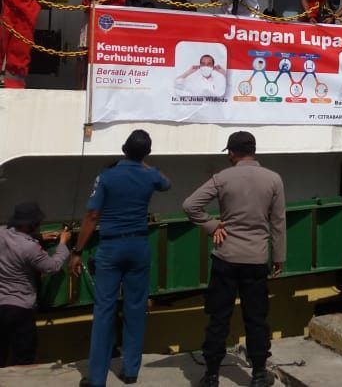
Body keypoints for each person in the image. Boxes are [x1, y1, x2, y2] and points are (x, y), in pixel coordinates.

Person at [70, 130, 171, 387]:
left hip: (111, 247)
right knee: (135, 308)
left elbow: (92, 216)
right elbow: (166, 183)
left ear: (124, 149)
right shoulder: (150, 175)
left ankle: (97, 378)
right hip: (139, 245)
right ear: (147, 153)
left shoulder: (106, 176)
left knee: (104, 310)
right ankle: (130, 371)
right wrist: (144, 163)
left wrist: (78, 251)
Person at [184, 131, 285, 387]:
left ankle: (211, 375)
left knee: (219, 317)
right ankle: (259, 374)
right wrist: (278, 256)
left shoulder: (222, 178)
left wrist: (212, 225)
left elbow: (190, 206)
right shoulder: (274, 179)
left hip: (225, 257)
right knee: (256, 318)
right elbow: (278, 222)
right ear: (254, 151)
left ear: (231, 152)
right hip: (256, 259)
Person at [0, 202, 71, 366]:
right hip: (20, 310)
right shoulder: (30, 248)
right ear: (32, 224)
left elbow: (17, 241)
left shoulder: (2, 232)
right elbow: (52, 267)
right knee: (23, 360)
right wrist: (63, 243)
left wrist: (38, 237)